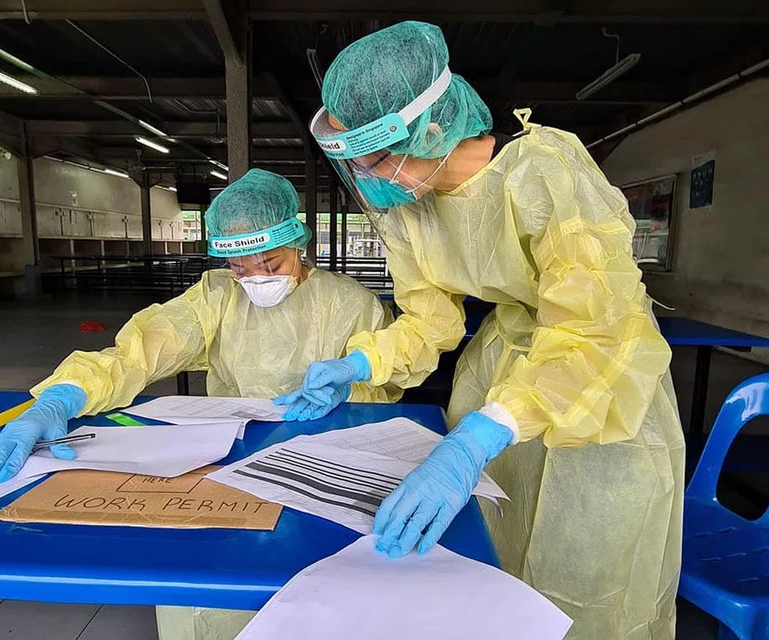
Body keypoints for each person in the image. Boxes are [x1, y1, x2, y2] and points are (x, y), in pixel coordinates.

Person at [276, 21, 684, 640]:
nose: (366, 178)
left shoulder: (546, 172)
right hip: (501, 374)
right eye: (352, 162)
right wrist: (361, 365)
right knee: (494, 568)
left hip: (597, 389)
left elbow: (592, 329)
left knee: (588, 584)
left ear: (431, 127)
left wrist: (477, 440)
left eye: (375, 158)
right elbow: (430, 317)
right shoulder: (411, 206)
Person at [0, 168, 402, 638]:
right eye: (239, 267)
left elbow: (384, 391)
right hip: (234, 452)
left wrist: (348, 387)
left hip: (325, 456)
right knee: (219, 577)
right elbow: (140, 352)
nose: (254, 278)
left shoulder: (352, 304)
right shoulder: (216, 298)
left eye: (270, 263)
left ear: (299, 241)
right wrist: (61, 397)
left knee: (322, 583)